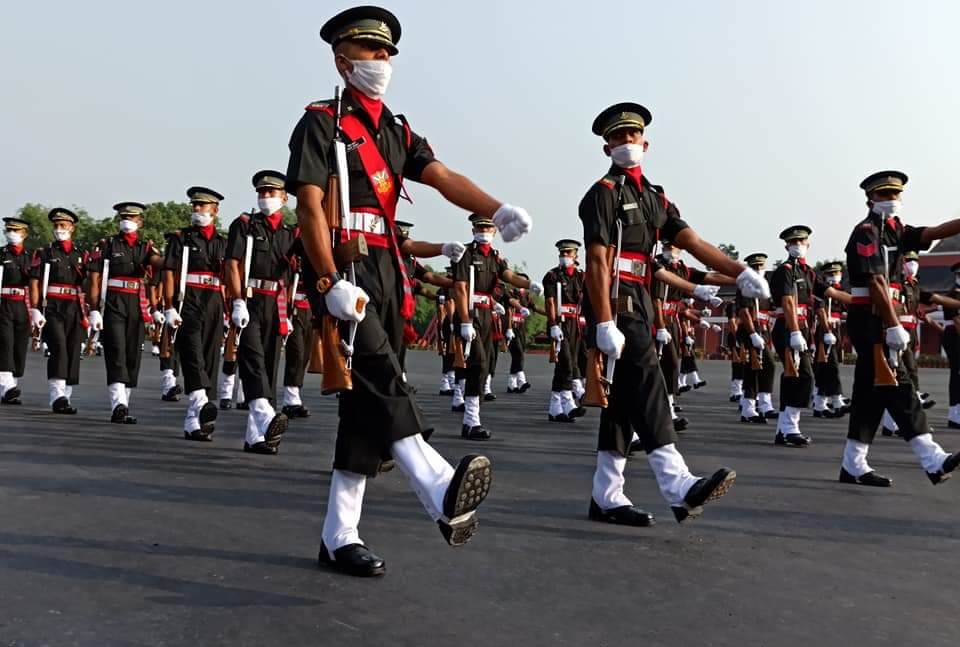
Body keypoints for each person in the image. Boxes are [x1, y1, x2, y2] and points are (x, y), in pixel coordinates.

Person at [286, 6, 532, 577]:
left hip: (388, 273)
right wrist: (326, 282)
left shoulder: (396, 130)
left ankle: (338, 535)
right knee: (382, 377)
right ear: (342, 58)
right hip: (347, 271)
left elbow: (442, 177)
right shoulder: (322, 122)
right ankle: (439, 486)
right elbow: (310, 206)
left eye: (388, 51)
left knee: (363, 406)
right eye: (372, 51)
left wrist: (495, 208)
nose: (383, 60)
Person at [580, 102, 768, 525]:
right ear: (606, 147)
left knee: (623, 403)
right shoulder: (603, 194)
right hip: (615, 297)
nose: (626, 143)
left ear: (645, 143)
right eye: (618, 137)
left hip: (641, 297)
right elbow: (596, 261)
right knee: (648, 381)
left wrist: (739, 273)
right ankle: (678, 483)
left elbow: (693, 241)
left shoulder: (655, 197)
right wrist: (604, 320)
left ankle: (606, 495)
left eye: (633, 136)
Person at [839, 170, 960, 487]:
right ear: (870, 198)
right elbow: (876, 281)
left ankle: (853, 463)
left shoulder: (897, 231)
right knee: (898, 384)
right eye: (885, 195)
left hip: (884, 318)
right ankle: (932, 458)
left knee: (871, 393)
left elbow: (933, 232)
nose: (892, 200)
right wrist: (893, 324)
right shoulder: (866, 232)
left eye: (896, 195)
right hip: (873, 319)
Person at [452, 214, 542, 438]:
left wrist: (528, 284)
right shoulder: (465, 253)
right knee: (479, 364)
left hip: (485, 314)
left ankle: (471, 419)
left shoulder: (494, 257)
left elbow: (508, 275)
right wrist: (464, 320)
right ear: (474, 230)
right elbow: (461, 289)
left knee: (482, 364)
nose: (485, 232)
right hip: (470, 313)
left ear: (494, 232)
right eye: (481, 228)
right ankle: (470, 419)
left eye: (489, 229)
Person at [769, 225, 849, 447]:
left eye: (801, 242)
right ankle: (790, 427)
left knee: (793, 377)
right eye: (793, 243)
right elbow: (787, 302)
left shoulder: (808, 272)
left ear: (808, 244)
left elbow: (829, 293)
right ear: (786, 246)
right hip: (788, 327)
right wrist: (794, 331)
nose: (797, 246)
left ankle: (784, 430)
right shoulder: (786, 270)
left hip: (802, 327)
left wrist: (861, 301)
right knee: (802, 376)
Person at [86, 202, 162, 424]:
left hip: (136, 303)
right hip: (113, 302)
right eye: (124, 216)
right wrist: (93, 310)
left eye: (132, 217)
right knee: (116, 348)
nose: (127, 220)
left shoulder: (146, 247)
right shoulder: (107, 244)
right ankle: (117, 403)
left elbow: (158, 264)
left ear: (140, 222)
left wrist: (169, 262)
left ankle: (124, 404)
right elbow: (94, 280)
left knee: (131, 353)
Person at [163, 187, 229, 440]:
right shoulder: (181, 239)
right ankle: (201, 404)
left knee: (210, 355)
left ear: (215, 210)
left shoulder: (222, 243)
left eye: (202, 206)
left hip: (213, 301)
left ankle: (195, 419)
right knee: (192, 351)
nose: (197, 210)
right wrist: (169, 306)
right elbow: (168, 272)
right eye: (195, 206)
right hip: (187, 299)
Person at [30, 209, 88, 413]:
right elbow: (35, 282)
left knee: (73, 349)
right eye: (56, 225)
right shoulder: (44, 252)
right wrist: (35, 309)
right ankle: (57, 395)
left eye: (63, 225)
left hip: (74, 305)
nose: (59, 229)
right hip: (52, 305)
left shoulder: (81, 254)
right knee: (59, 346)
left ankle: (66, 396)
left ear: (72, 227)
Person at [543, 239, 587, 422]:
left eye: (568, 253)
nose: (565, 257)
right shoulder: (552, 276)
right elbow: (550, 302)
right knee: (567, 362)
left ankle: (554, 407)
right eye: (562, 254)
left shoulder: (581, 276)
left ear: (576, 255)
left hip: (576, 324)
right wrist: (552, 324)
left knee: (565, 365)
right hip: (560, 323)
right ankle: (569, 403)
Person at [736, 253, 777, 423]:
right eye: (755, 267)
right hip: (751, 331)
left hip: (764, 330)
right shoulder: (746, 286)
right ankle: (758, 405)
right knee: (764, 365)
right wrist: (752, 334)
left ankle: (752, 406)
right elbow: (744, 311)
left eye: (761, 266)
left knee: (759, 368)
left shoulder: (764, 287)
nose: (759, 270)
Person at [0, 217, 33, 404]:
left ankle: (10, 387)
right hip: (3, 302)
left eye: (16, 230)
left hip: (22, 303)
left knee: (19, 345)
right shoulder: (1, 254)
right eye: (9, 230)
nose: (11, 233)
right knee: (4, 342)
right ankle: (7, 386)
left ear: (24, 234)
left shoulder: (30, 257)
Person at [812, 263, 846, 419]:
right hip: (825, 331)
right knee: (831, 366)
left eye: (837, 273)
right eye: (831, 274)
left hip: (836, 329)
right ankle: (837, 401)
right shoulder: (823, 291)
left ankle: (820, 404)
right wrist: (826, 331)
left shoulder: (840, 291)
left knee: (827, 368)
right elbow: (820, 310)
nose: (835, 276)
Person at [502, 274, 540, 394]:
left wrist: (551, 313)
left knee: (518, 355)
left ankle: (511, 384)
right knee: (518, 352)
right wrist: (508, 328)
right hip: (511, 327)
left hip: (521, 328)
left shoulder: (526, 296)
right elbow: (509, 309)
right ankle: (522, 381)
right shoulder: (509, 292)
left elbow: (535, 308)